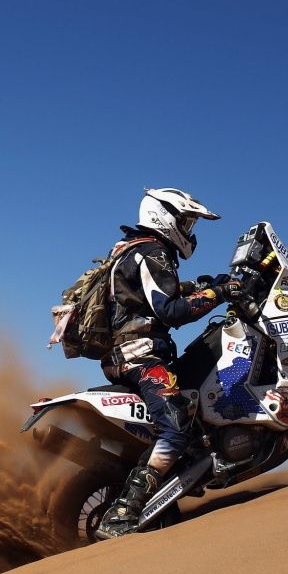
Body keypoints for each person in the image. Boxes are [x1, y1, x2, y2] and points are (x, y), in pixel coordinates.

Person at [95, 188, 240, 540]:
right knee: (175, 426)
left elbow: (153, 294)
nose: (189, 230)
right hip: (139, 356)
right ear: (164, 216)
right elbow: (170, 310)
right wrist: (220, 293)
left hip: (127, 354)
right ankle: (123, 513)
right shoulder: (153, 252)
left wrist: (205, 285)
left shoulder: (131, 248)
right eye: (186, 222)